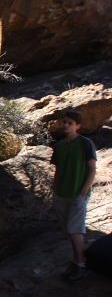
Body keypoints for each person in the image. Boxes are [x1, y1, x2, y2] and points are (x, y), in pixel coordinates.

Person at [50, 109, 97, 281]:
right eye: (65, 122)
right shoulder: (60, 146)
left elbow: (92, 169)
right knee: (69, 231)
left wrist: (83, 193)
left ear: (78, 126)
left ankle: (81, 264)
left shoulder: (86, 143)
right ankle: (76, 260)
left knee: (75, 230)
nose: (66, 125)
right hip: (61, 194)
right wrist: (54, 190)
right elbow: (57, 170)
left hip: (78, 194)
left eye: (70, 123)